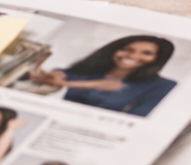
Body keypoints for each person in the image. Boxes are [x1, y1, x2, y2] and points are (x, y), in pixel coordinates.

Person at [28, 35, 178, 117]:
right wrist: (43, 70)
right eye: (126, 49)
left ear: (158, 59)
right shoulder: (82, 72)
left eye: (147, 53)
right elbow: (45, 78)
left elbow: (137, 117)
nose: (133, 55)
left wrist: (66, 84)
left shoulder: (164, 86)